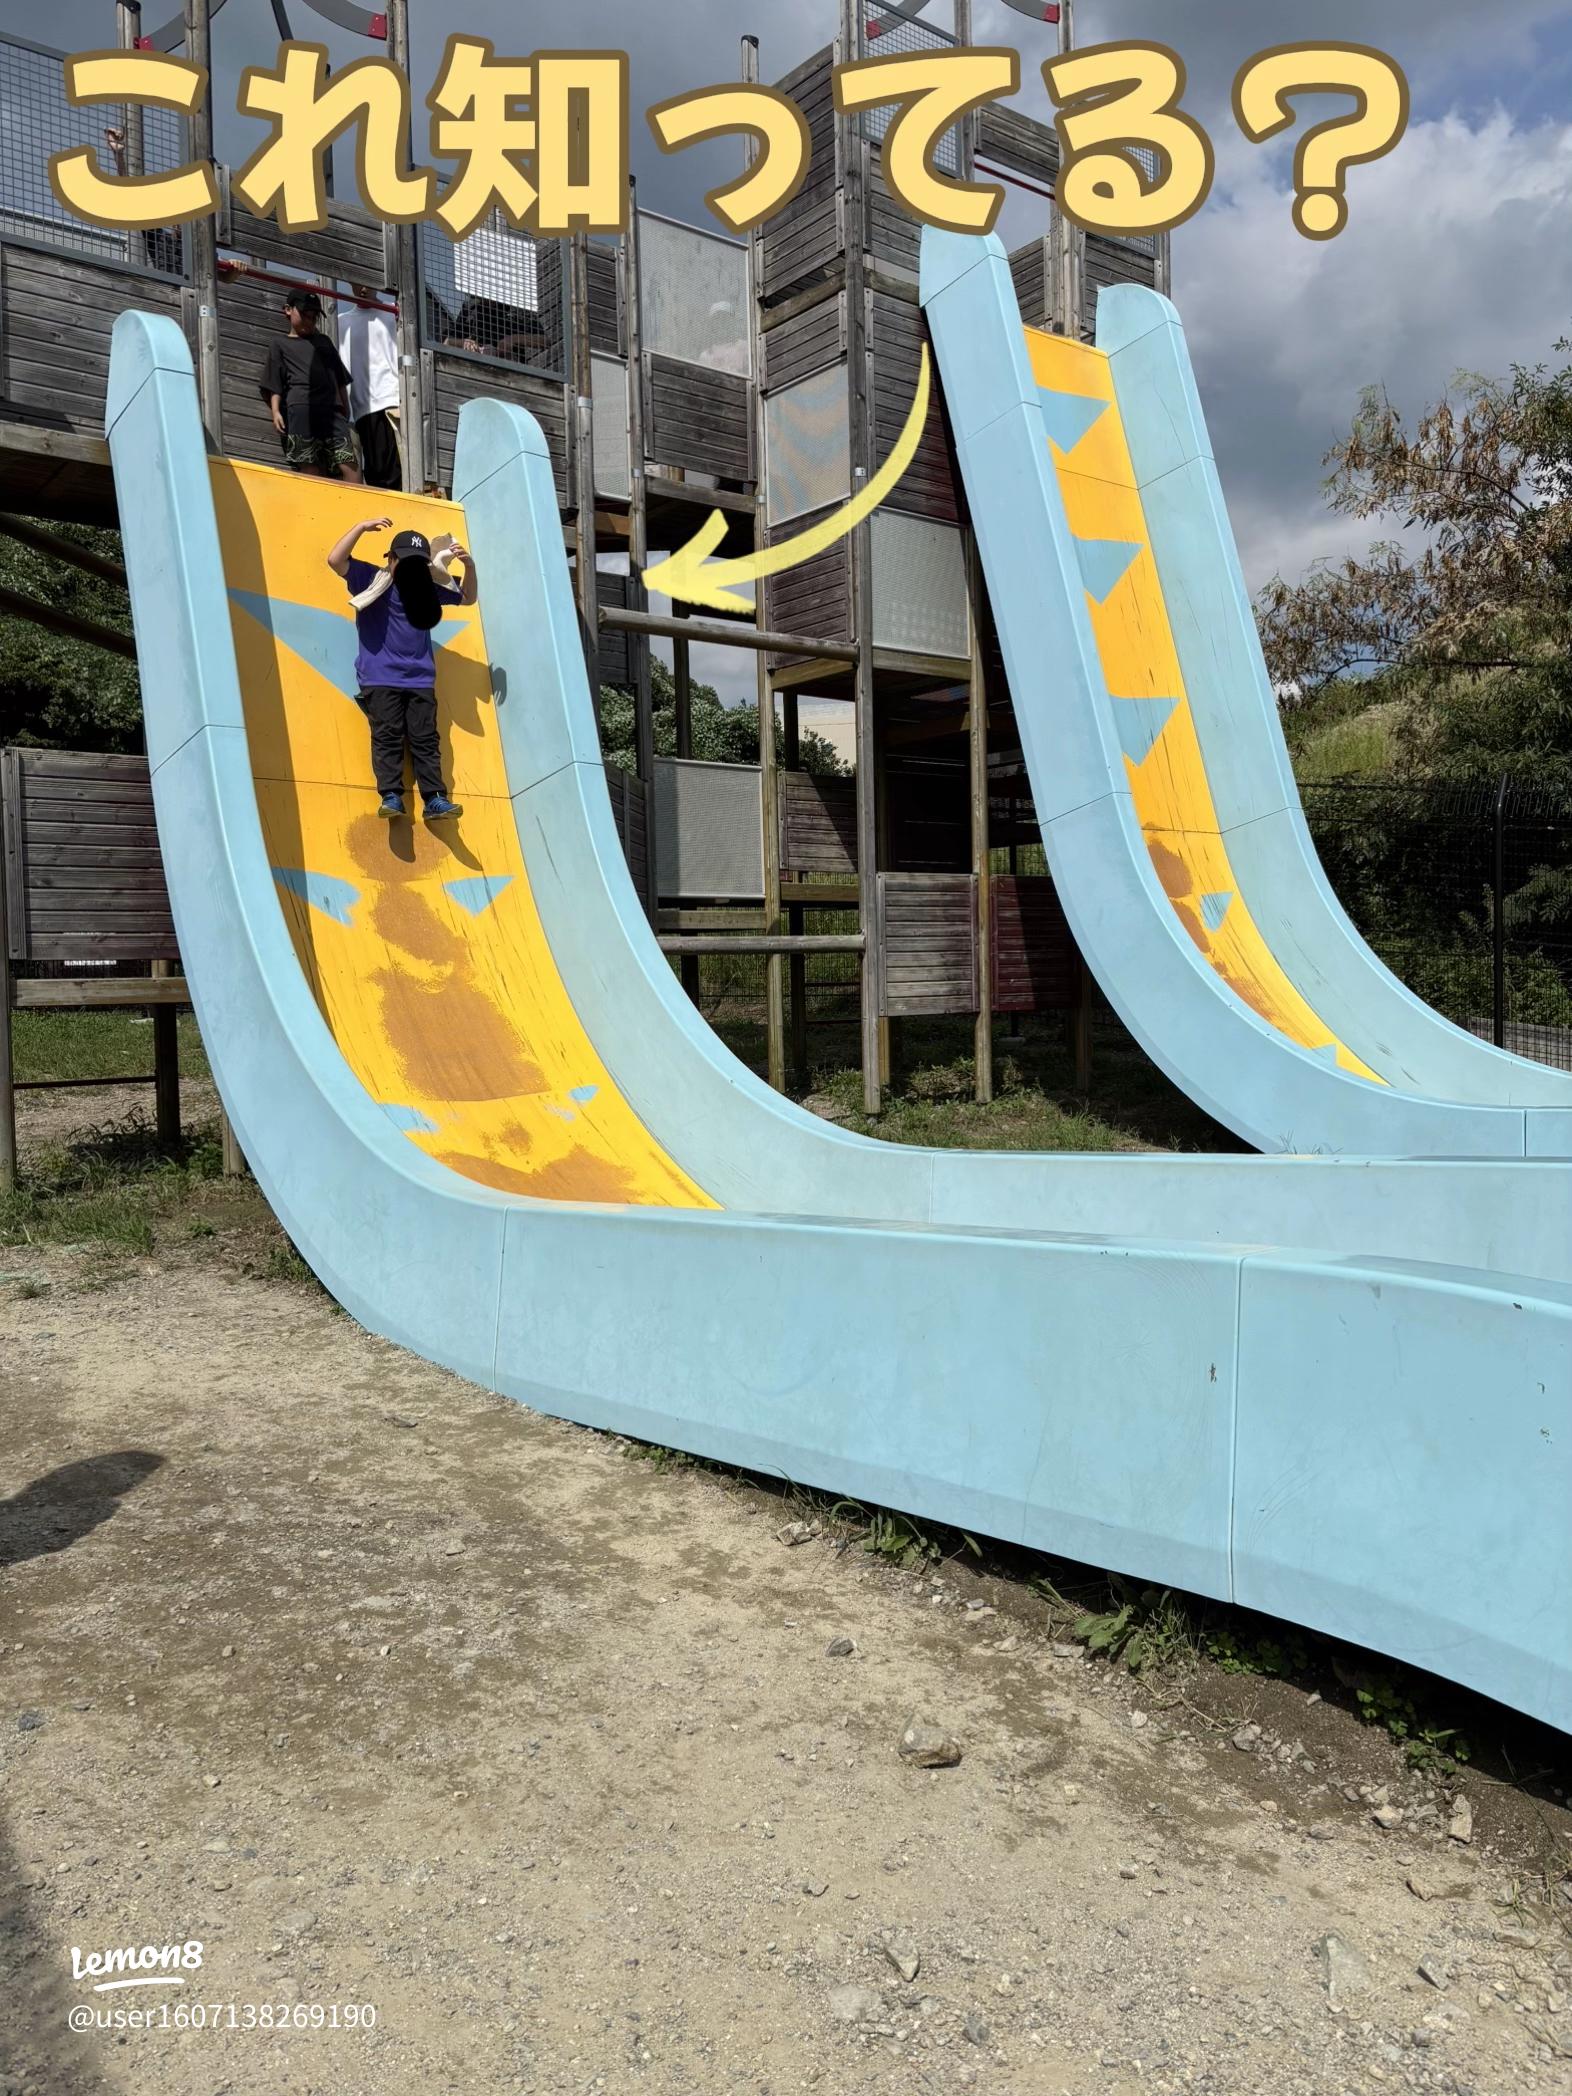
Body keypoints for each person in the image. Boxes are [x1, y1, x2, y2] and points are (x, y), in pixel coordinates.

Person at [326, 518, 478, 822]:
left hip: (420, 678)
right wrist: (359, 527)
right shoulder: (370, 579)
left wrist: (469, 568)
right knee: (388, 735)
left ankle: (435, 799)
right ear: (391, 560)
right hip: (380, 676)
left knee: (425, 739)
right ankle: (391, 795)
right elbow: (335, 559)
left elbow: (468, 598)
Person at [264, 289, 361, 482]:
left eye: (314, 317)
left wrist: (345, 407)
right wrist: (275, 411)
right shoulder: (279, 344)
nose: (309, 321)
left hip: (331, 412)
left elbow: (339, 377)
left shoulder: (323, 342)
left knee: (349, 463)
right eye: (305, 315)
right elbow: (275, 381)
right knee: (309, 465)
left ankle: (359, 505)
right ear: (288, 310)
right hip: (300, 410)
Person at [337, 284, 403, 491]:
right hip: (363, 404)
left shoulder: (395, 312)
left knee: (397, 468)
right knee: (376, 470)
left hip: (393, 398)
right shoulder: (341, 322)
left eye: (368, 284)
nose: (363, 289)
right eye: (358, 284)